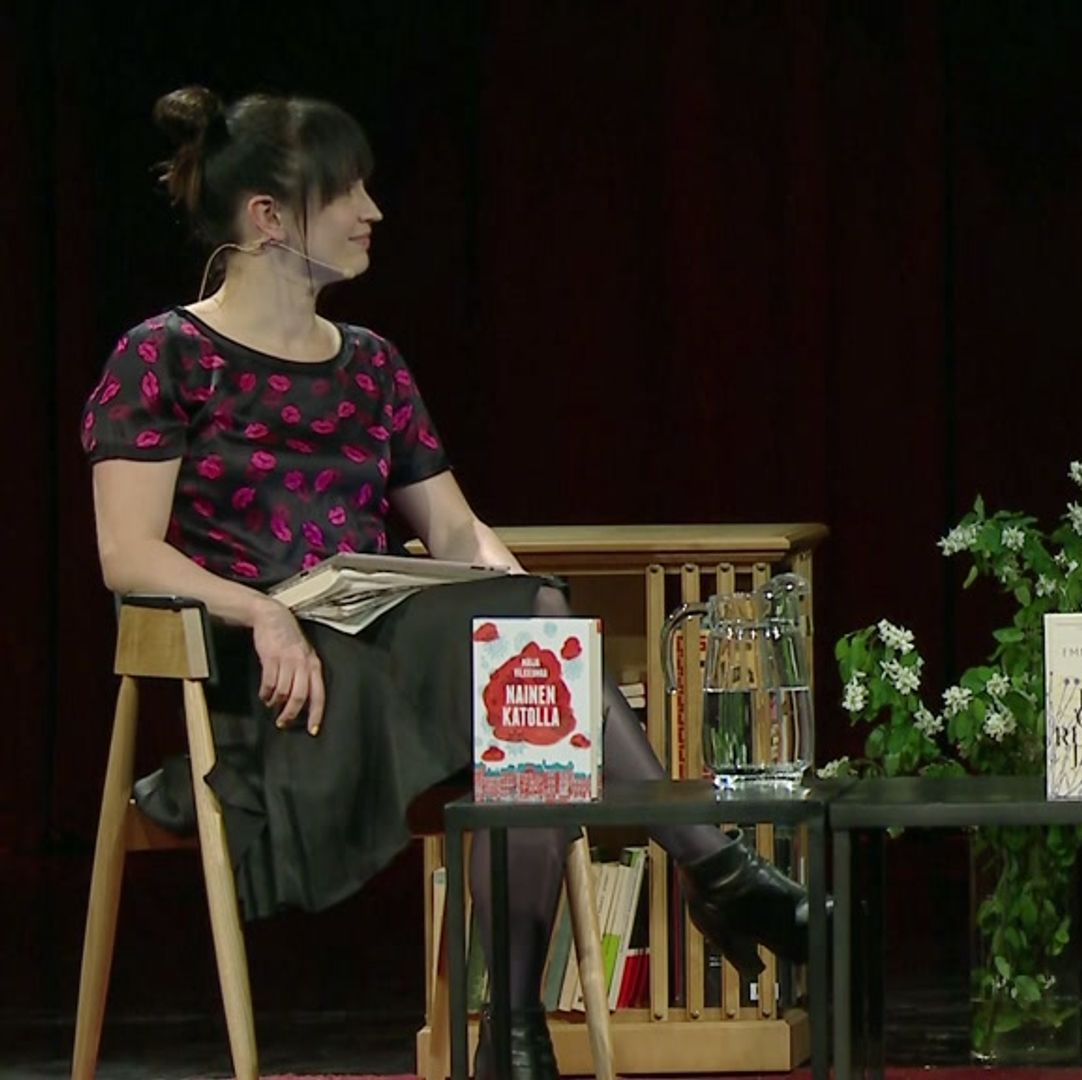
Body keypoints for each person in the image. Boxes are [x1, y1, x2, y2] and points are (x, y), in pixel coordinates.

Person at [81, 86, 808, 1080]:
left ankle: (515, 1029)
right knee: (523, 661)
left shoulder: (373, 364)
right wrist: (263, 615)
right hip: (275, 692)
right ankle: (712, 876)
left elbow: (458, 533)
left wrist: (544, 628)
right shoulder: (165, 355)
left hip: (392, 659)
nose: (371, 211)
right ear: (270, 218)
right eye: (347, 191)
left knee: (531, 656)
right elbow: (128, 555)